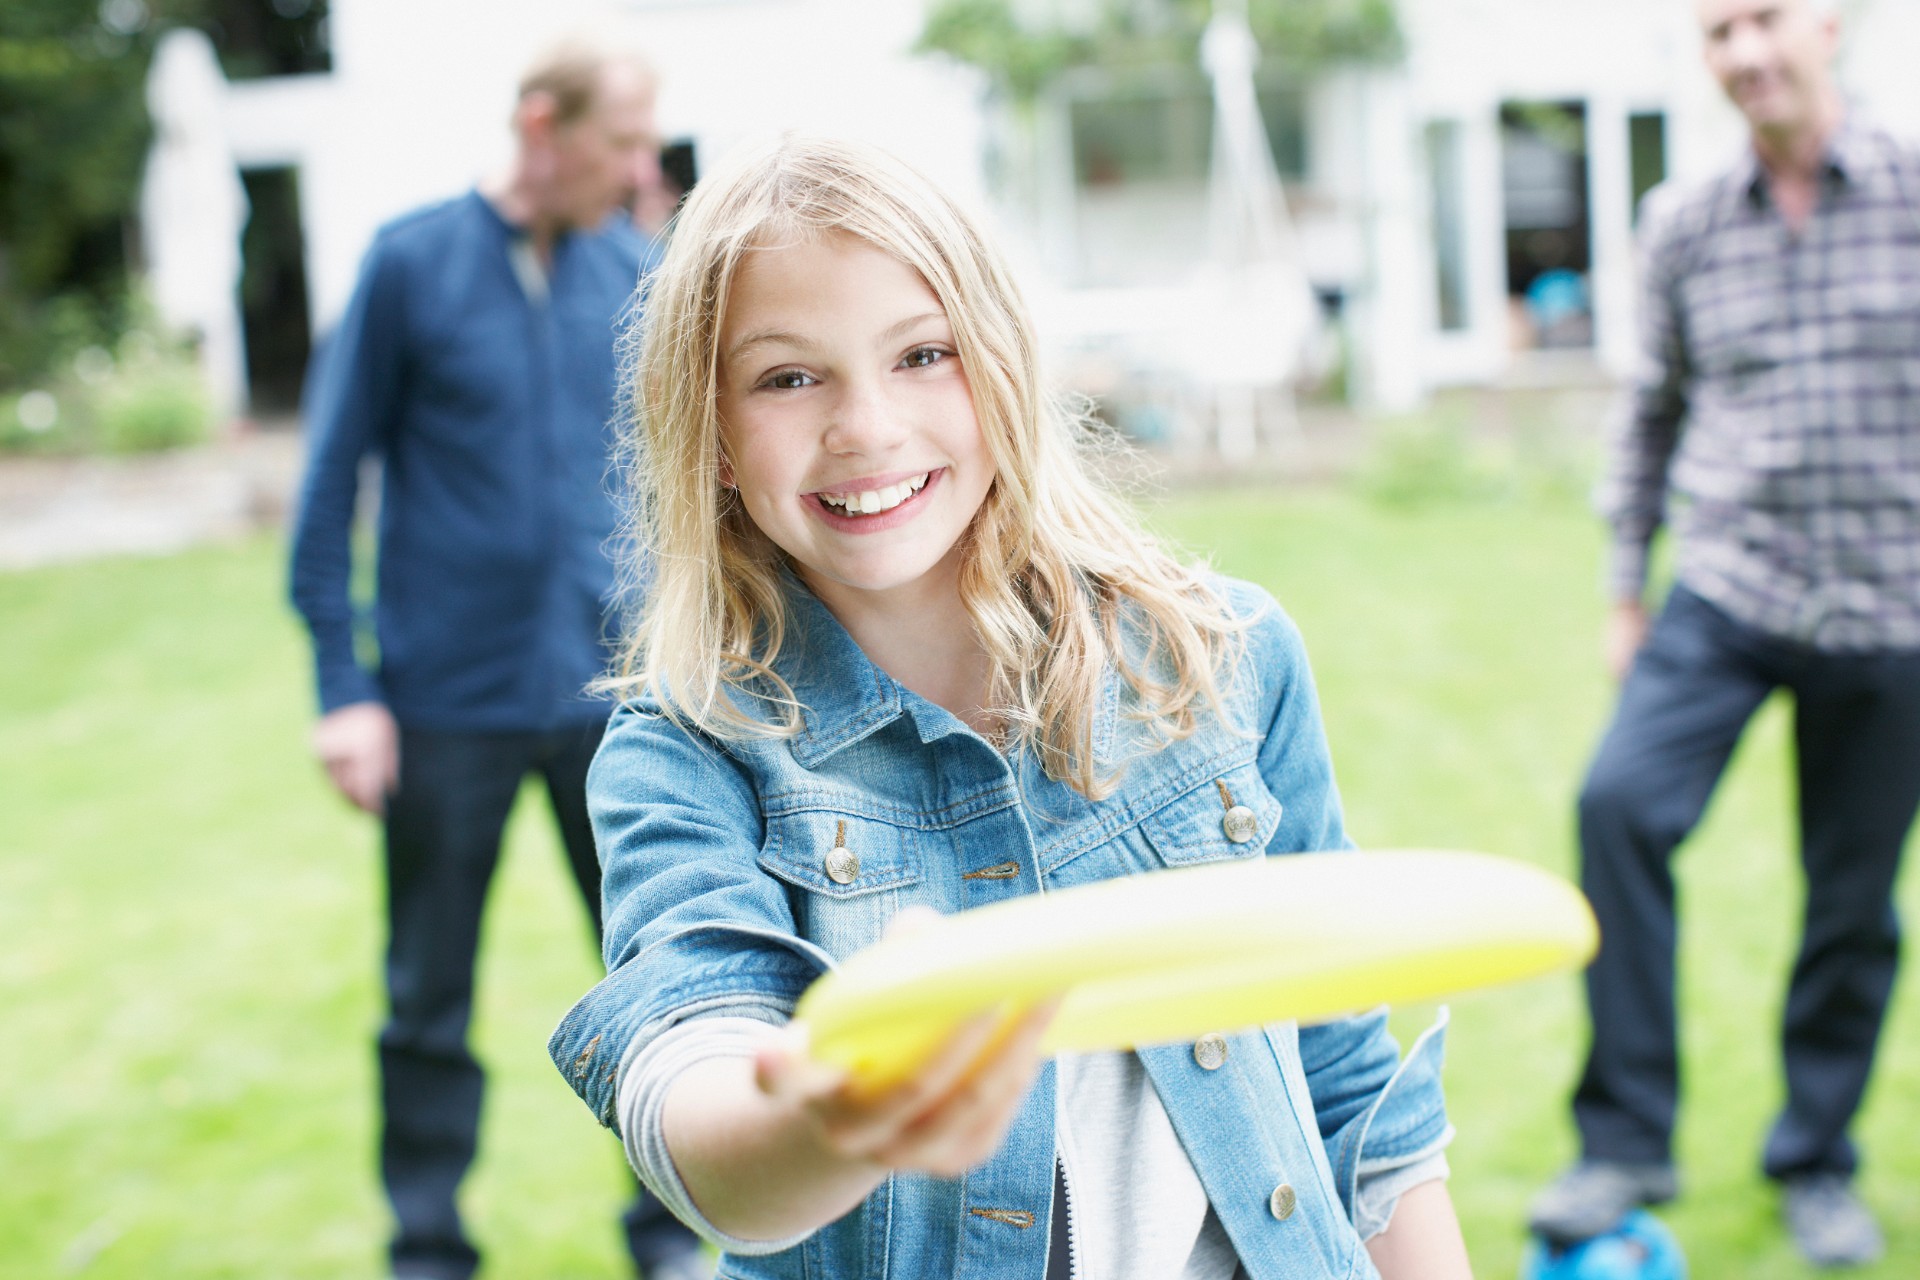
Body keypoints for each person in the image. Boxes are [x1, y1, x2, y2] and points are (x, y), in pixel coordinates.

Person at [544, 133, 1473, 1280]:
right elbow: (691, 1082)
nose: (866, 426)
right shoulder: (685, 750)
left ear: (1003, 364)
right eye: (789, 375)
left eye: (923, 354)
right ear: (716, 434)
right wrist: (831, 1118)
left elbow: (1349, 1079)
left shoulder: (1221, 657)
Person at [287, 37, 706, 1280]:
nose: (644, 166)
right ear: (541, 125)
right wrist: (344, 689)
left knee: (661, 977)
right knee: (428, 1001)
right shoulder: (411, 264)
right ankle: (428, 1249)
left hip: (611, 701)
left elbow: (673, 488)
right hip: (443, 707)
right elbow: (327, 492)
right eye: (622, 140)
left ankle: (672, 1236)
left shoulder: (630, 270)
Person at [1529, 0, 1920, 1267]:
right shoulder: (1685, 221)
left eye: (1766, 20)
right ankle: (1626, 1136)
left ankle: (1815, 1157)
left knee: (1851, 901)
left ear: (1833, 26)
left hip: (1893, 608)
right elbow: (1651, 413)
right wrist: (1624, 591)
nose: (1746, 52)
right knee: (1619, 806)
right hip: (1731, 590)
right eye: (1718, 30)